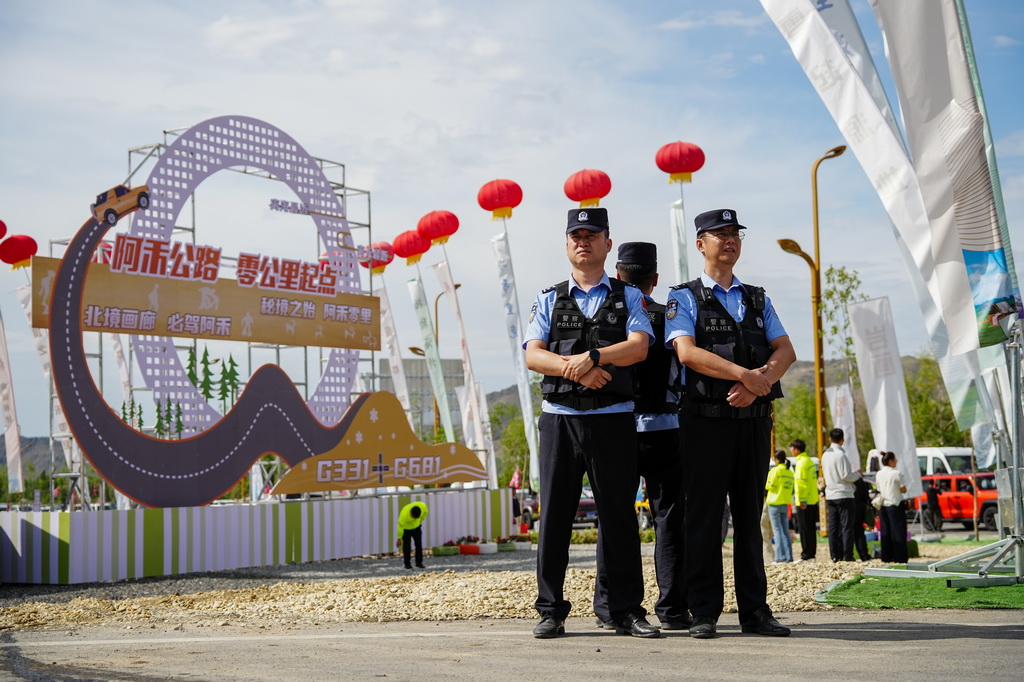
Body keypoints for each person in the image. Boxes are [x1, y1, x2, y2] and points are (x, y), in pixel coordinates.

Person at [524, 207, 659, 639]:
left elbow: (638, 347)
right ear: (567, 245)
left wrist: (595, 357)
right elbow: (532, 355)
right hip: (560, 421)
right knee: (556, 518)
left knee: (618, 517)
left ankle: (627, 610)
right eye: (575, 235)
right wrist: (574, 369)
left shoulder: (629, 297)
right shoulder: (549, 297)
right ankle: (550, 610)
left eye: (592, 235)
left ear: (606, 243)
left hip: (612, 422)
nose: (583, 241)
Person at [666, 208, 796, 639]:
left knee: (749, 517)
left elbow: (785, 351)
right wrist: (746, 376)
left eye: (734, 233)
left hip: (753, 422)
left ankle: (755, 611)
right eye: (718, 234)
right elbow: (687, 353)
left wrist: (760, 385)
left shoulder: (757, 298)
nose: (729, 240)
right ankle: (703, 612)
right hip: (705, 424)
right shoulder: (682, 297)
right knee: (704, 520)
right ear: (700, 244)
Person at [593, 242, 688, 631]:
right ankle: (673, 609)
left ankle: (609, 606)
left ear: (618, 275)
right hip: (667, 429)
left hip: (617, 427)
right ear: (656, 278)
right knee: (669, 520)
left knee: (615, 520)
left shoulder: (609, 316)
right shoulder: (672, 317)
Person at [822, 428, 860, 562]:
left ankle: (834, 554)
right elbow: (846, 475)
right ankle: (847, 554)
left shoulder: (825, 454)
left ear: (830, 439)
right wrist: (857, 474)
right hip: (844, 493)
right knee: (846, 526)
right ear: (842, 440)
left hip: (831, 493)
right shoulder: (841, 455)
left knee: (833, 526)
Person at [875, 451, 909, 563]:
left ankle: (886, 557)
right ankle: (900, 557)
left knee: (885, 532)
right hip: (895, 504)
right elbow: (903, 489)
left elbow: (879, 488)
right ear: (890, 461)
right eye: (895, 459)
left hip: (883, 505)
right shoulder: (896, 473)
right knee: (898, 532)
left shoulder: (879, 473)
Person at [790, 439, 819, 561]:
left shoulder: (801, 463)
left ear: (796, 449)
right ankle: (811, 553)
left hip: (804, 501)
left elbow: (801, 483)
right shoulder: (809, 461)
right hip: (812, 499)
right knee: (811, 528)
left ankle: (806, 554)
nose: (791, 451)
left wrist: (802, 500)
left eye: (791, 448)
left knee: (804, 528)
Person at [765, 450, 794, 563]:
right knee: (785, 531)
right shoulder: (789, 472)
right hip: (785, 503)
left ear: (776, 459)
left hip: (774, 503)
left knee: (777, 531)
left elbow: (769, 486)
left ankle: (779, 557)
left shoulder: (775, 471)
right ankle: (789, 556)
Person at [397, 500, 428, 570]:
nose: (413, 519)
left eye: (415, 518)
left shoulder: (423, 506)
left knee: (419, 545)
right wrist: (399, 538)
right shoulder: (404, 514)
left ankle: (419, 563)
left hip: (417, 527)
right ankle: (407, 564)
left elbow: (425, 513)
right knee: (407, 546)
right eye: (413, 517)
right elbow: (400, 526)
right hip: (406, 529)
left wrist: (421, 520)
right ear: (410, 512)